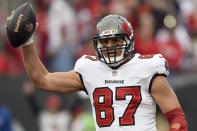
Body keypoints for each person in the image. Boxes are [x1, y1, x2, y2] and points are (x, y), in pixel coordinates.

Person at [7, 13, 188, 131]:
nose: (110, 46)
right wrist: (27, 42)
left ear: (129, 41)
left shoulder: (147, 68)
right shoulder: (90, 69)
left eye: (116, 40)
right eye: (105, 42)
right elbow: (42, 80)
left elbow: (176, 117)